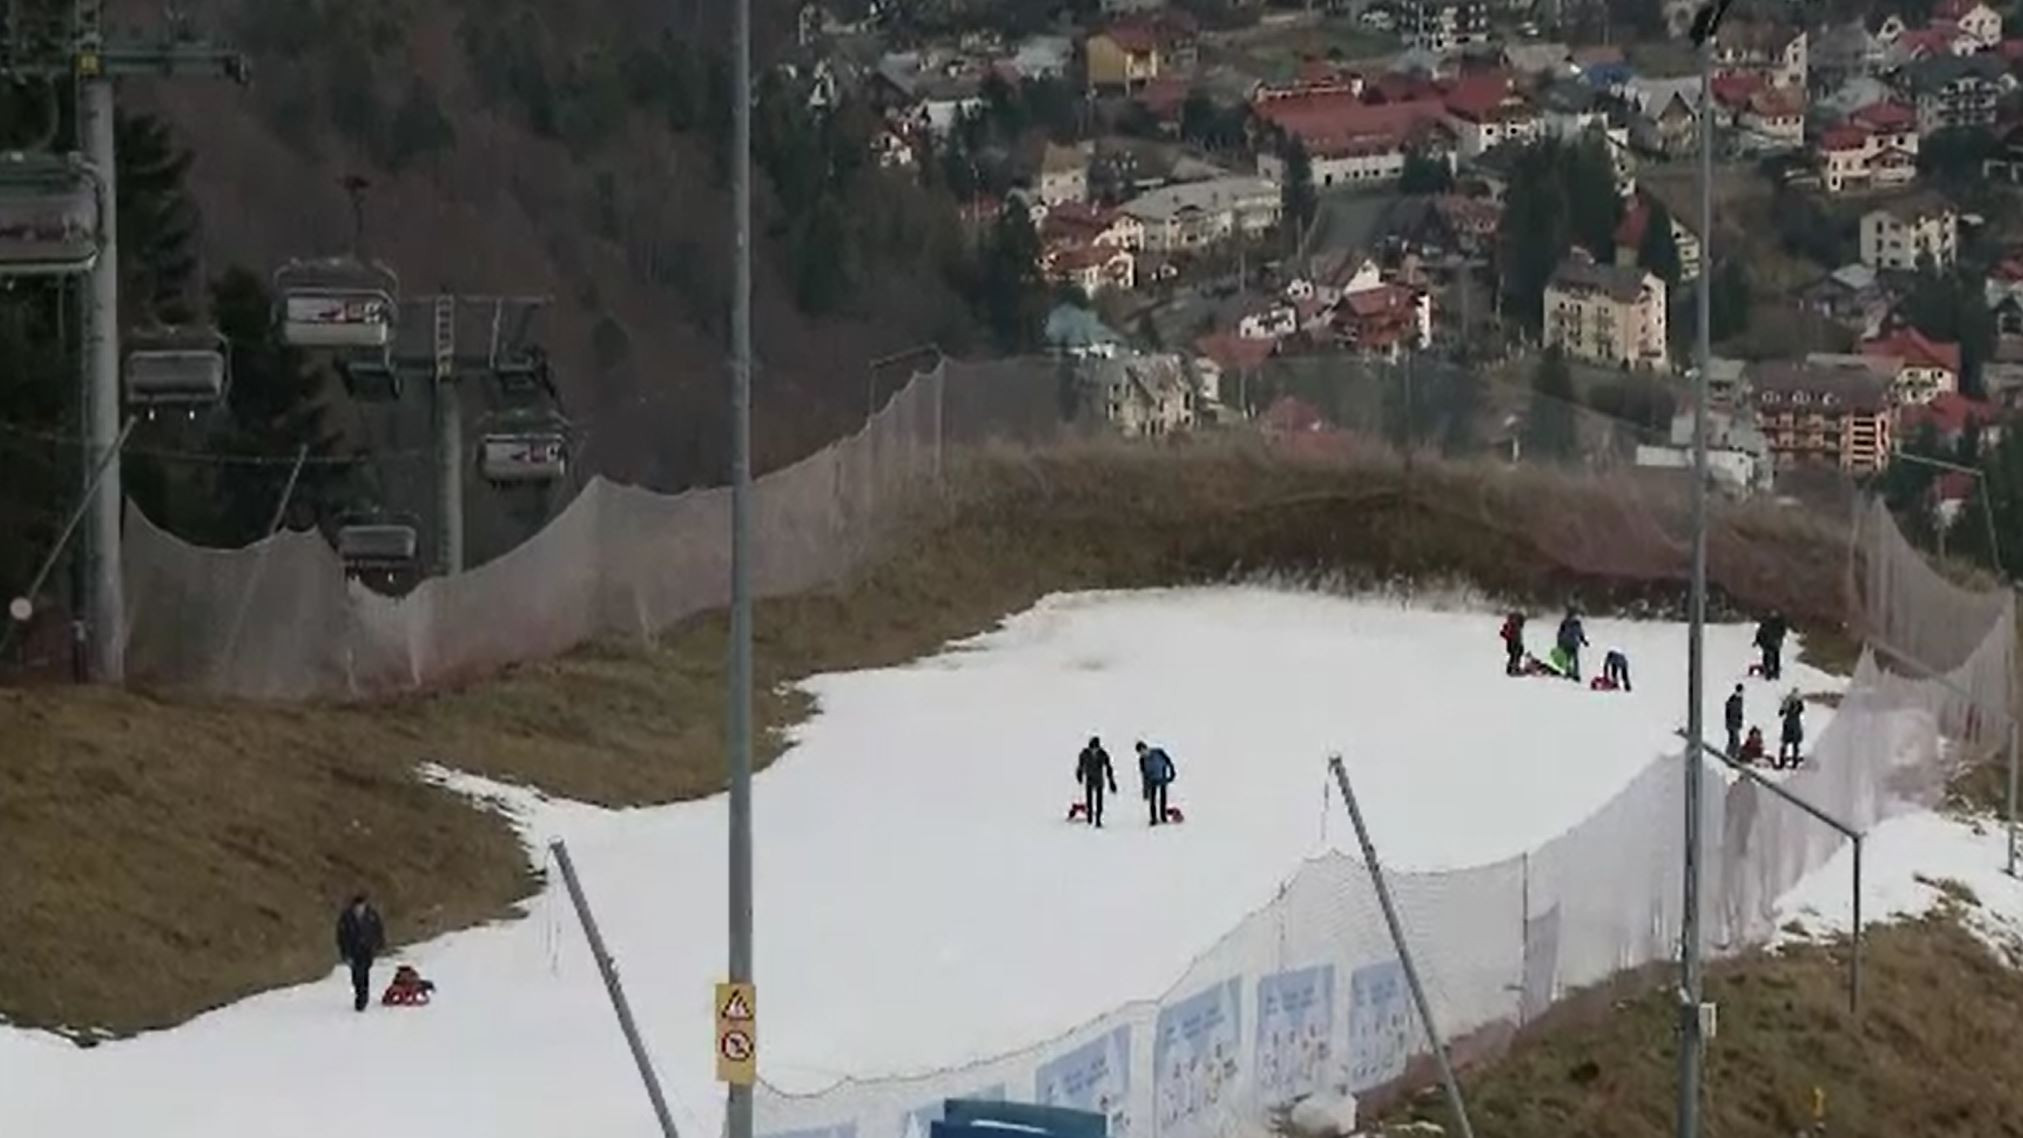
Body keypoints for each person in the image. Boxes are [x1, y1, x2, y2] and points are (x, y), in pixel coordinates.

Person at [336, 893, 386, 1013]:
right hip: (353, 950)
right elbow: (341, 936)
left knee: (364, 973)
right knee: (356, 975)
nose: (360, 908)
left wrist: (379, 945)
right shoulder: (346, 917)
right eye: (358, 906)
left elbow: (378, 929)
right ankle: (360, 995)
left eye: (362, 905)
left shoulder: (371, 915)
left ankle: (363, 996)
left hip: (367, 950)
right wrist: (345, 953)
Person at [1076, 737, 1117, 828]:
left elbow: (1108, 767)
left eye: (1096, 748)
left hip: (1099, 780)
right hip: (1089, 779)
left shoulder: (1103, 754)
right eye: (1092, 748)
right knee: (1089, 800)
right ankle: (1090, 817)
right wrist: (1079, 774)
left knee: (1099, 801)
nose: (1094, 750)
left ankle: (1098, 819)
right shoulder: (1084, 754)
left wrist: (1111, 781)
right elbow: (1080, 765)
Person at [1136, 741, 1177, 826]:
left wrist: (1172, 773)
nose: (1143, 753)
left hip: (1162, 778)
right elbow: (1144, 776)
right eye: (1140, 753)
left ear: (1146, 748)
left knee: (1163, 798)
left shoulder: (1158, 752)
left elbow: (1168, 762)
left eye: (1143, 750)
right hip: (1152, 781)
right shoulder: (1142, 761)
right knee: (1152, 800)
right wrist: (1145, 790)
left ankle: (1163, 816)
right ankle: (1153, 818)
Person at [1755, 612, 1789, 682]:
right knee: (1769, 656)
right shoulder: (1767, 623)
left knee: (1773, 656)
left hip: (1772, 642)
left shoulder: (1778, 623)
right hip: (1768, 642)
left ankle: (1773, 671)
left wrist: (1780, 637)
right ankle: (1769, 671)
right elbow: (1760, 632)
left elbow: (1783, 631)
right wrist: (1758, 640)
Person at [1556, 609, 1588, 682]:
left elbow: (1560, 633)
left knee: (1569, 658)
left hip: (1568, 643)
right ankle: (1573, 673)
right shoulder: (1574, 623)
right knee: (1573, 659)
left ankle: (1570, 672)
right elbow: (1580, 633)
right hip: (1571, 643)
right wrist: (1583, 641)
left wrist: (1559, 642)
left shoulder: (1565, 623)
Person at [1778, 692, 1805, 769]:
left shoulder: (1789, 703)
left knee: (1785, 744)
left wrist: (1784, 706)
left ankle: (1782, 762)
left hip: (1789, 725)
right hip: (1794, 725)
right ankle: (1793, 762)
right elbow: (1801, 710)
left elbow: (1780, 713)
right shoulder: (1798, 705)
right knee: (1794, 745)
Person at [1500, 612, 1527, 676]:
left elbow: (1503, 633)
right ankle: (1513, 669)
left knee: (1515, 655)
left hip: (1514, 642)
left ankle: (1512, 669)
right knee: (1515, 656)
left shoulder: (1512, 625)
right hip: (1514, 642)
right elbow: (1507, 634)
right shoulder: (1513, 626)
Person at [1724, 684, 1745, 758]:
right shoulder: (1732, 700)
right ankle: (1732, 755)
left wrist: (1740, 721)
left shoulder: (1740, 699)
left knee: (1733, 740)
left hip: (1735, 723)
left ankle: (1730, 754)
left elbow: (1740, 712)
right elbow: (1730, 712)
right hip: (1732, 723)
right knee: (1735, 740)